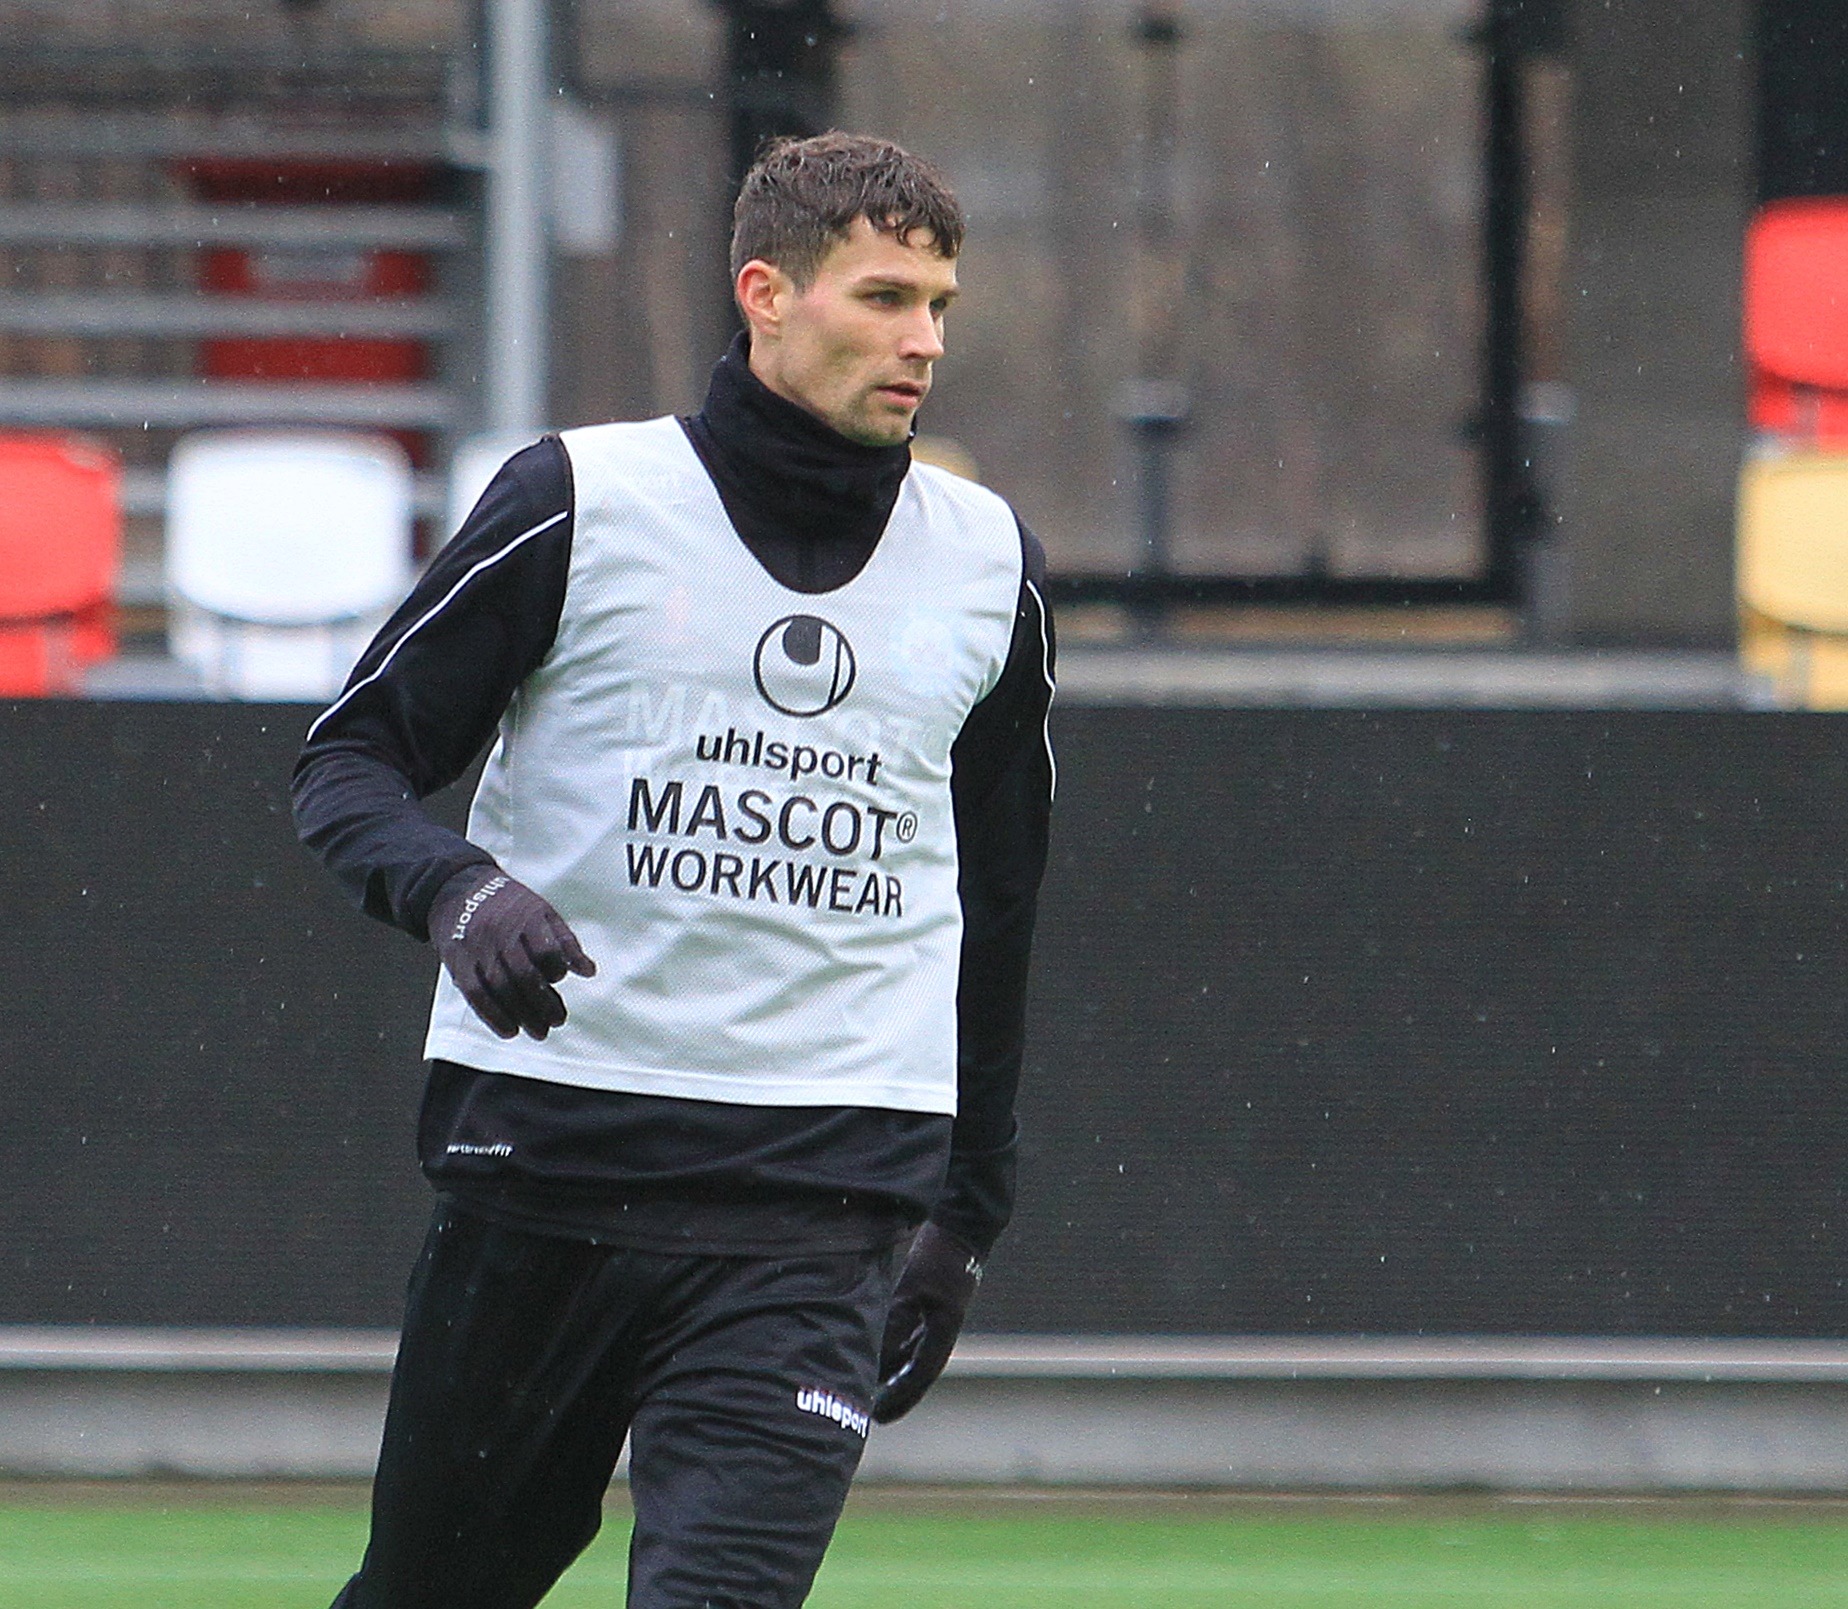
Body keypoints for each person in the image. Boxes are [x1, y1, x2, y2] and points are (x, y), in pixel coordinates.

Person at [292, 131, 1055, 1609]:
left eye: (940, 306)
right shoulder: (580, 499)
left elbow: (1002, 902)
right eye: (885, 297)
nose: (924, 341)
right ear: (764, 294)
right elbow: (349, 760)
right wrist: (457, 891)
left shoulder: (987, 564)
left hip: (818, 1201)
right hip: (549, 1163)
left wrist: (968, 1214)